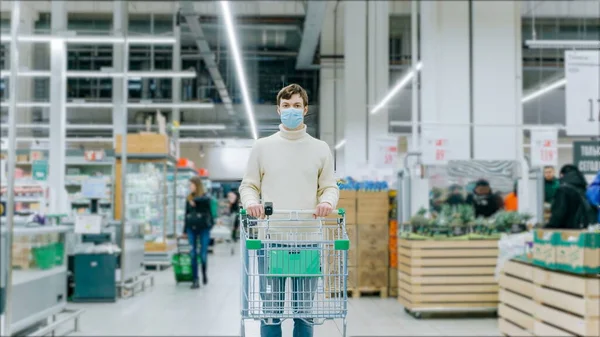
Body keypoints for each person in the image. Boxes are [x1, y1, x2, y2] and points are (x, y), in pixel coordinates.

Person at [239, 83, 339, 337]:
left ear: (305, 110)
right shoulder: (262, 146)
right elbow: (248, 185)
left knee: (304, 313)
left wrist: (327, 202)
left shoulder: (320, 148)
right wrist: (251, 202)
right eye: (286, 106)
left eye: (296, 106)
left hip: (307, 239)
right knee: (271, 313)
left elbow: (329, 187)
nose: (291, 110)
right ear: (278, 110)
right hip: (271, 240)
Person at [183, 176, 215, 288]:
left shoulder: (204, 197)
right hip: (191, 228)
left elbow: (207, 202)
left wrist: (195, 201)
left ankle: (204, 273)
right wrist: (184, 230)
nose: (190, 187)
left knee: (203, 254)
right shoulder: (188, 198)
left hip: (204, 228)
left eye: (191, 185)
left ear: (197, 185)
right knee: (192, 254)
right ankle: (195, 279)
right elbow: (186, 214)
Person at [545, 164, 595, 229]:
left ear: (562, 175)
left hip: (566, 232)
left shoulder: (563, 190)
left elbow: (559, 213)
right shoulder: (583, 189)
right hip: (581, 229)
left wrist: (548, 227)